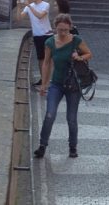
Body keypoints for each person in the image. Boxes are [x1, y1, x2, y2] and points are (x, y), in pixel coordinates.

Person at [34, 14, 93, 159]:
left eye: (66, 30)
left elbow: (89, 54)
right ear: (55, 28)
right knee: (49, 115)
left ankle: (73, 147)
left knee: (71, 118)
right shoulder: (49, 42)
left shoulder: (76, 40)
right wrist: (44, 83)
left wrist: (80, 57)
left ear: (70, 28)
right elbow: (47, 63)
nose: (63, 33)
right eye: (60, 30)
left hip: (73, 85)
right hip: (57, 84)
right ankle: (42, 145)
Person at [17, 0, 53, 86]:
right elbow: (19, 18)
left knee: (48, 59)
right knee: (40, 59)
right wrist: (19, 7)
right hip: (37, 35)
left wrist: (29, 6)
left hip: (47, 35)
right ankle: (43, 79)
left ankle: (47, 80)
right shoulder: (29, 6)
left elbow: (40, 16)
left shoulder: (46, 5)